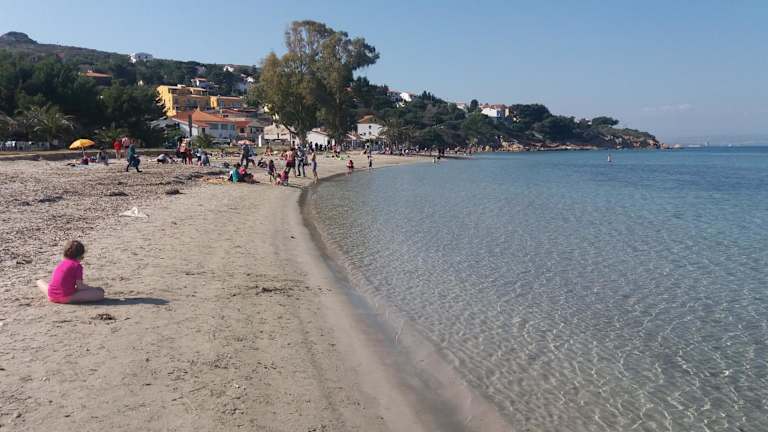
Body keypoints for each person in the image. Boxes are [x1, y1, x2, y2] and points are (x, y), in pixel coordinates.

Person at [36, 240, 104, 303]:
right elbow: (80, 287)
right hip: (65, 297)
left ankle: (39, 282)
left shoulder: (62, 263)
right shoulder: (77, 266)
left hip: (51, 296)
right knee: (100, 294)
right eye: (82, 257)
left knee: (40, 282)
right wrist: (93, 288)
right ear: (79, 256)